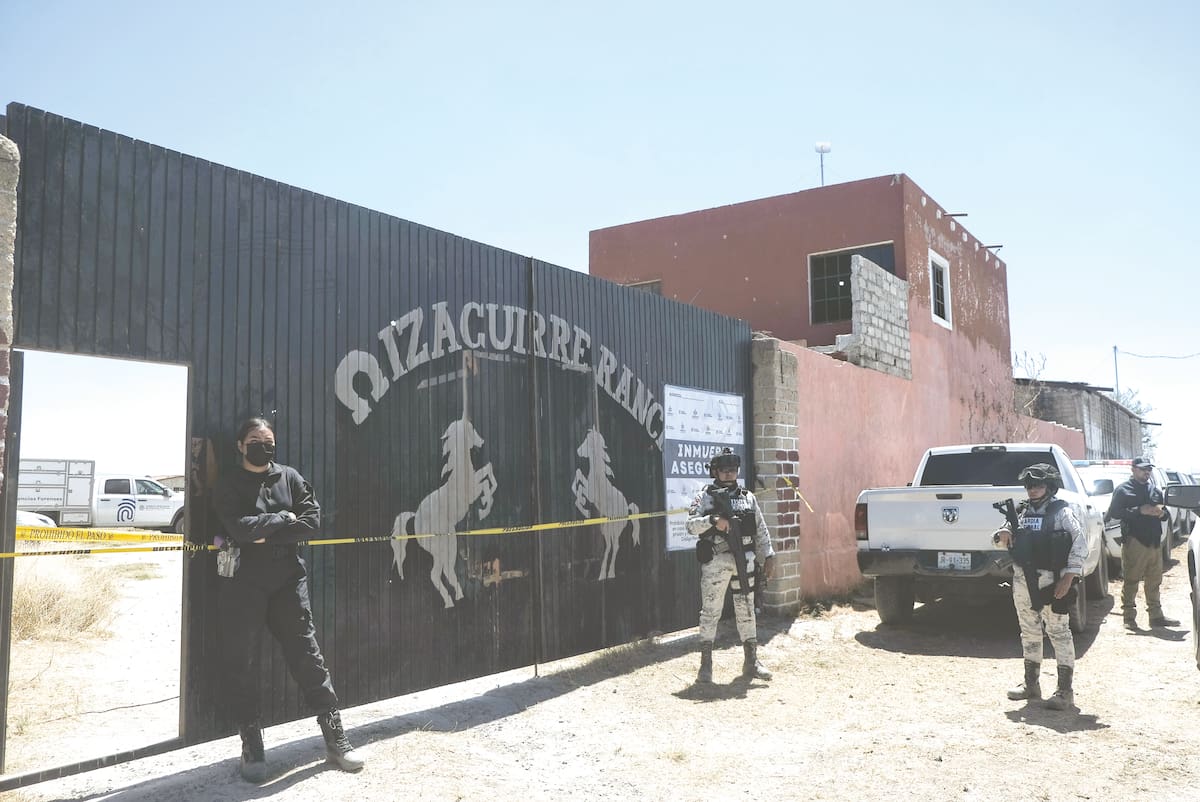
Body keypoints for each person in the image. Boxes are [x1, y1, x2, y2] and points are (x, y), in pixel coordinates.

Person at [213, 417, 364, 782]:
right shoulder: (229, 482)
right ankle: (252, 744)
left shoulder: (291, 477)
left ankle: (335, 739)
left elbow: (312, 522)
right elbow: (237, 528)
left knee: (308, 656)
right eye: (254, 439)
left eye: (267, 440)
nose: (261, 445)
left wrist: (265, 532)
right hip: (243, 583)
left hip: (287, 581)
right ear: (240, 445)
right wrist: (283, 518)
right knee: (242, 659)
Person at [991, 463, 1088, 711]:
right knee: (1029, 632)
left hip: (1052, 581)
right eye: (1029, 486)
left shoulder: (1061, 512)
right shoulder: (1021, 512)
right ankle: (1031, 685)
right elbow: (1002, 535)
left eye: (1038, 485)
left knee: (1058, 632)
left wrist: (1069, 578)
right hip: (1023, 579)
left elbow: (1079, 543)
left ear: (1050, 486)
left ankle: (1065, 691)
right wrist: (1003, 532)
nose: (1032, 490)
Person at [687, 448, 776, 683]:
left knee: (746, 609)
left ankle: (752, 661)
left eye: (733, 469)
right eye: (724, 470)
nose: (729, 474)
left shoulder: (747, 497)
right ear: (715, 471)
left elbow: (760, 528)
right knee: (711, 612)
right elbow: (690, 525)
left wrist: (768, 555)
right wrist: (713, 521)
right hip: (717, 559)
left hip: (744, 561)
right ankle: (705, 666)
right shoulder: (705, 496)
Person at [1106, 456, 1178, 631]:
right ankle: (1129, 618)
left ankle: (1156, 616)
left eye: (1149, 469)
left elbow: (1166, 513)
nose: (1146, 472)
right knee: (1131, 580)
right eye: (1143, 469)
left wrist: (1161, 514)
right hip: (1134, 540)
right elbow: (1113, 513)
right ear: (1133, 469)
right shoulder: (1123, 490)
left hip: (1154, 540)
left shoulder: (1154, 489)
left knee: (1154, 580)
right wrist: (1138, 510)